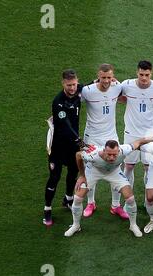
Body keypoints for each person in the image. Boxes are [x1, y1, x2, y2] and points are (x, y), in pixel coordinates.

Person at [64, 137, 153, 238]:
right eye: (109, 154)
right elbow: (78, 155)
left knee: (130, 198)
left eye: (114, 155)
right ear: (104, 150)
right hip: (94, 171)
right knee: (77, 198)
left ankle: (133, 225)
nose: (111, 157)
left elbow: (139, 142)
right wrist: (82, 175)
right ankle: (76, 225)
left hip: (114, 172)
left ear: (119, 151)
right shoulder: (93, 155)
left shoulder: (125, 149)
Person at [81, 63, 126, 219]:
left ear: (113, 77)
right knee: (90, 168)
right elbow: (73, 103)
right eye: (103, 77)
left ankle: (116, 205)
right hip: (92, 136)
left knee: (115, 168)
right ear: (98, 77)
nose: (106, 81)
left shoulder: (117, 86)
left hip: (111, 136)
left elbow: (126, 96)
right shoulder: (87, 91)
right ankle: (90, 202)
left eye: (109, 77)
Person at [43, 69, 85, 226]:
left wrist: (103, 81)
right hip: (58, 147)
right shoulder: (58, 102)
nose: (72, 88)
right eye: (69, 85)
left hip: (72, 145)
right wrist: (78, 140)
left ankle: (68, 199)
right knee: (54, 177)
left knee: (73, 172)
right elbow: (66, 125)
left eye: (74, 84)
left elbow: (89, 85)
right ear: (63, 84)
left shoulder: (79, 90)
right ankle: (47, 209)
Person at [120, 60, 153, 203]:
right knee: (129, 166)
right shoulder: (126, 85)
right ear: (136, 72)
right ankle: (128, 200)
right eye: (141, 74)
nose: (144, 78)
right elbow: (116, 95)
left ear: (151, 73)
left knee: (148, 167)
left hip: (150, 135)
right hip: (131, 133)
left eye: (147, 74)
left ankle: (148, 200)